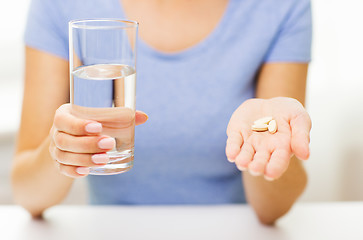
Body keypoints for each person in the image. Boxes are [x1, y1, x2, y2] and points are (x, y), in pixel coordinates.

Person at [12, 0, 312, 225]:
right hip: (112, 231)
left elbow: (273, 209)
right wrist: (62, 148)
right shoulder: (60, 5)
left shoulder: (281, 6)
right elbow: (27, 194)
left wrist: (267, 145)